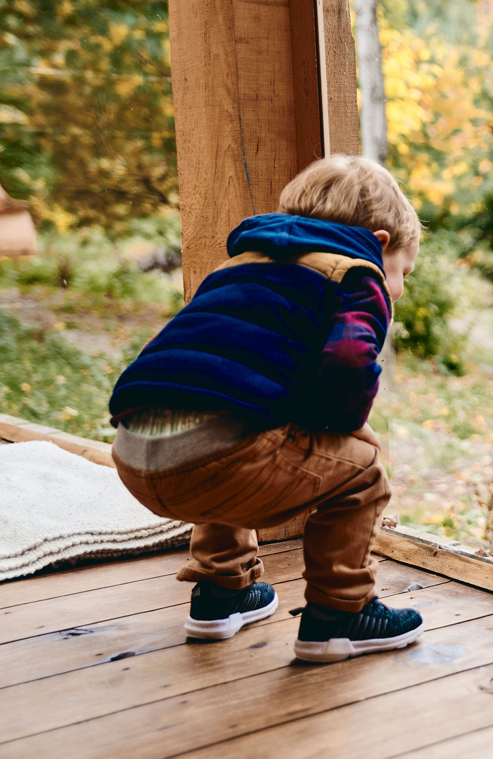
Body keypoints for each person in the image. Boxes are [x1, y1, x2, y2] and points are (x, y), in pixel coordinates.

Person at [108, 155, 423, 663]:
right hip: (216, 461)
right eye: (403, 271)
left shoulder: (239, 266)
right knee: (363, 471)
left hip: (132, 456)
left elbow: (197, 361)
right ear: (379, 242)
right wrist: (347, 427)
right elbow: (348, 360)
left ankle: (222, 592)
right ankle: (340, 615)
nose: (400, 286)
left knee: (235, 418)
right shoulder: (356, 275)